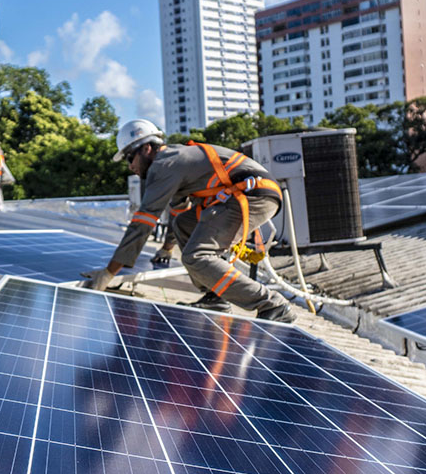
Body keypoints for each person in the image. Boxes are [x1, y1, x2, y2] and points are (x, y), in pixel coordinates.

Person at [80, 119, 294, 322]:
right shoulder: (174, 161)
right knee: (184, 223)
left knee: (197, 256)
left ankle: (274, 305)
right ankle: (215, 297)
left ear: (146, 149)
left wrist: (109, 272)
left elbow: (144, 221)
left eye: (129, 158)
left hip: (251, 194)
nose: (130, 166)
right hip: (243, 195)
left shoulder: (164, 165)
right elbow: (179, 212)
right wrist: (166, 249)